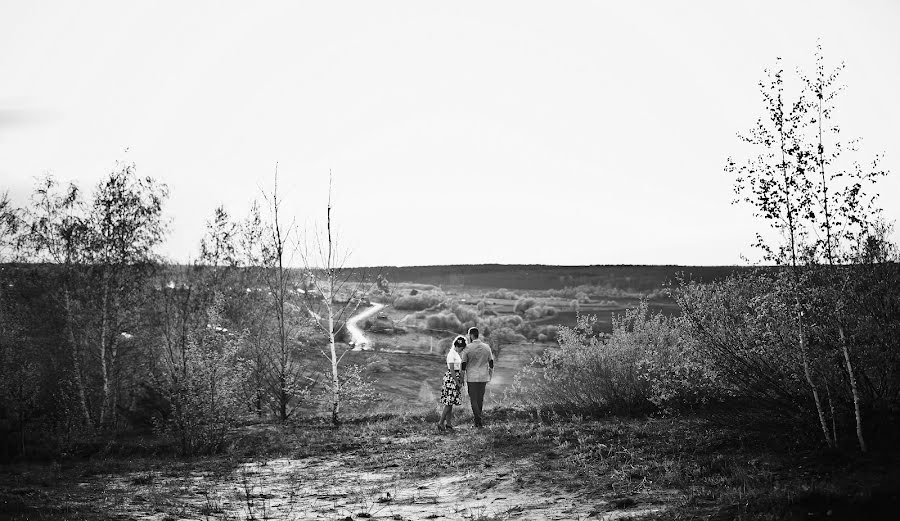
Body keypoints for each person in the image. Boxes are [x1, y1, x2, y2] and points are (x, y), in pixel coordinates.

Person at [461, 327, 494, 428]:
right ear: (478, 334)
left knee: (473, 399)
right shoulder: (486, 347)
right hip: (483, 377)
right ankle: (478, 422)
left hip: (472, 377)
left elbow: (463, 365)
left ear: (471, 335)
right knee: (480, 399)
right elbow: (491, 362)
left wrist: (462, 378)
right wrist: (490, 375)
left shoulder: (467, 348)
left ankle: (478, 421)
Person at [437, 335, 466, 432]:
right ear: (457, 346)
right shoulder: (451, 354)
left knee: (451, 402)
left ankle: (448, 424)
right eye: (461, 348)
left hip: (455, 378)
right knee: (448, 402)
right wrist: (457, 382)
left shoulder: (456, 354)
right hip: (451, 379)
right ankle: (440, 423)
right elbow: (452, 370)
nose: (461, 350)